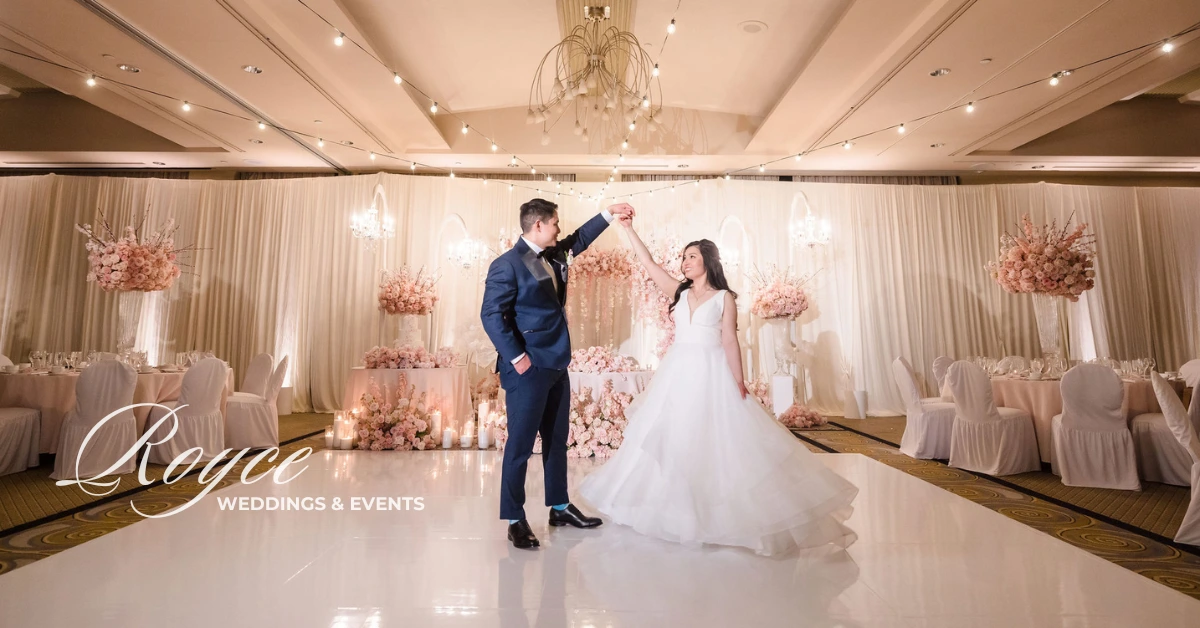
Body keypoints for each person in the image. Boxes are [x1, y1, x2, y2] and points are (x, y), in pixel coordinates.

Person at [579, 212, 858, 556]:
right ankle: (678, 513)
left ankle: (723, 515)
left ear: (708, 261)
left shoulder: (725, 297)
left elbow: (729, 340)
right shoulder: (679, 293)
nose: (684, 262)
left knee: (720, 440)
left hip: (712, 373)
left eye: (691, 256)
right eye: (683, 257)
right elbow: (648, 263)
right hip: (678, 374)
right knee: (673, 438)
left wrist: (738, 380)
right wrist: (628, 229)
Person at [481, 198, 635, 550]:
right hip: (527, 368)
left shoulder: (553, 255)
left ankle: (559, 507)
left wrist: (609, 213)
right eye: (554, 223)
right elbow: (491, 316)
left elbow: (579, 240)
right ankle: (515, 519)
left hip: (556, 363)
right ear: (538, 225)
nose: (559, 228)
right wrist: (518, 357)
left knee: (556, 440)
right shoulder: (507, 265)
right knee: (519, 446)